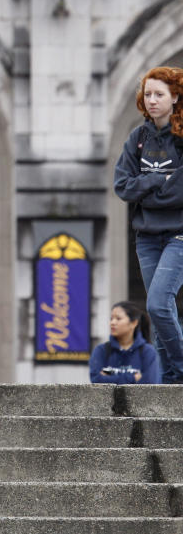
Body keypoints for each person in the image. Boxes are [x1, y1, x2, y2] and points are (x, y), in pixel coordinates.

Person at [114, 66, 183, 384]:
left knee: (157, 302)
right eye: (148, 94)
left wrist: (148, 188)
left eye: (159, 94)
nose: (152, 100)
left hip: (179, 235)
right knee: (159, 310)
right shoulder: (137, 138)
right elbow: (122, 186)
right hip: (147, 236)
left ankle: (179, 369)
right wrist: (160, 180)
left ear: (175, 97)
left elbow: (177, 191)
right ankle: (169, 380)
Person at [89, 301, 160, 384]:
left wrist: (109, 378)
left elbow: (149, 383)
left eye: (118, 319)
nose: (112, 323)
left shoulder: (147, 351)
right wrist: (133, 378)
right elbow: (96, 380)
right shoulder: (101, 350)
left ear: (134, 323)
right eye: (111, 319)